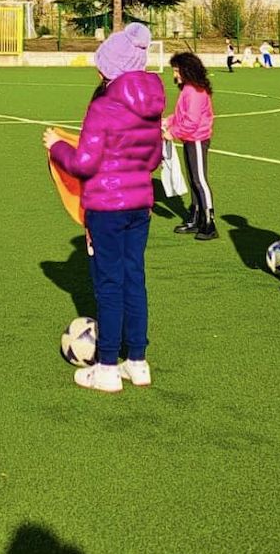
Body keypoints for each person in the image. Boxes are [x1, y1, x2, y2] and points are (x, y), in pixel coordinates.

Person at [43, 23, 165, 394]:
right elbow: (155, 157)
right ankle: (137, 362)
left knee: (109, 285)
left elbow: (83, 163)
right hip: (140, 204)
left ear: (111, 66)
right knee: (134, 280)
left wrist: (56, 147)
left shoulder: (104, 105)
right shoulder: (152, 104)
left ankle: (108, 366)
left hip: (107, 207)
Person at [164, 52, 216, 240]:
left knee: (200, 180)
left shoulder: (194, 91)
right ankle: (195, 218)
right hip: (190, 138)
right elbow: (181, 115)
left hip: (197, 138)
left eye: (177, 70)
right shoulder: (188, 89)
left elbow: (191, 121)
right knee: (193, 179)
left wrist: (173, 132)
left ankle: (209, 223)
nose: (175, 74)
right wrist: (168, 122)